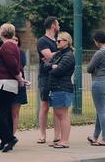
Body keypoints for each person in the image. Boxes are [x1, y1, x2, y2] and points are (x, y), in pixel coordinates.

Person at [0, 23, 25, 153]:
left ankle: (9, 138)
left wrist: (19, 78)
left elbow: (12, 64)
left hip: (2, 85)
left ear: (2, 32)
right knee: (5, 112)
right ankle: (4, 141)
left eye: (0, 29)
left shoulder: (7, 45)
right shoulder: (10, 45)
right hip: (5, 84)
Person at [45, 31, 75, 149]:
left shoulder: (68, 56)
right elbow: (45, 66)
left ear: (67, 42)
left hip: (62, 88)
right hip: (57, 88)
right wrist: (52, 66)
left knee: (63, 115)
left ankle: (64, 141)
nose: (57, 43)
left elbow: (59, 71)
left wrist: (52, 67)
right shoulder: (59, 54)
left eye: (59, 41)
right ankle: (62, 140)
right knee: (59, 114)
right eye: (56, 41)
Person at [86, 30, 105, 146]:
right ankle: (95, 136)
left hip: (99, 83)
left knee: (102, 111)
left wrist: (96, 69)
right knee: (100, 110)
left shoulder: (99, 53)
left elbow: (89, 68)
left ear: (98, 41)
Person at [36, 16, 60, 144]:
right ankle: (42, 135)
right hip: (45, 76)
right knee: (45, 106)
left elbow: (53, 56)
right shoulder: (42, 41)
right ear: (53, 26)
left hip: (57, 76)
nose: (59, 26)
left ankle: (57, 135)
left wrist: (56, 54)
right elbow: (48, 56)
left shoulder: (58, 40)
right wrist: (61, 52)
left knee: (57, 106)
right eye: (58, 24)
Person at [12, 35, 29, 136]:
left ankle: (12, 135)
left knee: (15, 112)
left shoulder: (21, 53)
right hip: (7, 85)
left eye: (16, 40)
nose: (14, 42)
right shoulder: (2, 51)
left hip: (19, 85)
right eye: (13, 40)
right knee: (3, 112)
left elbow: (19, 65)